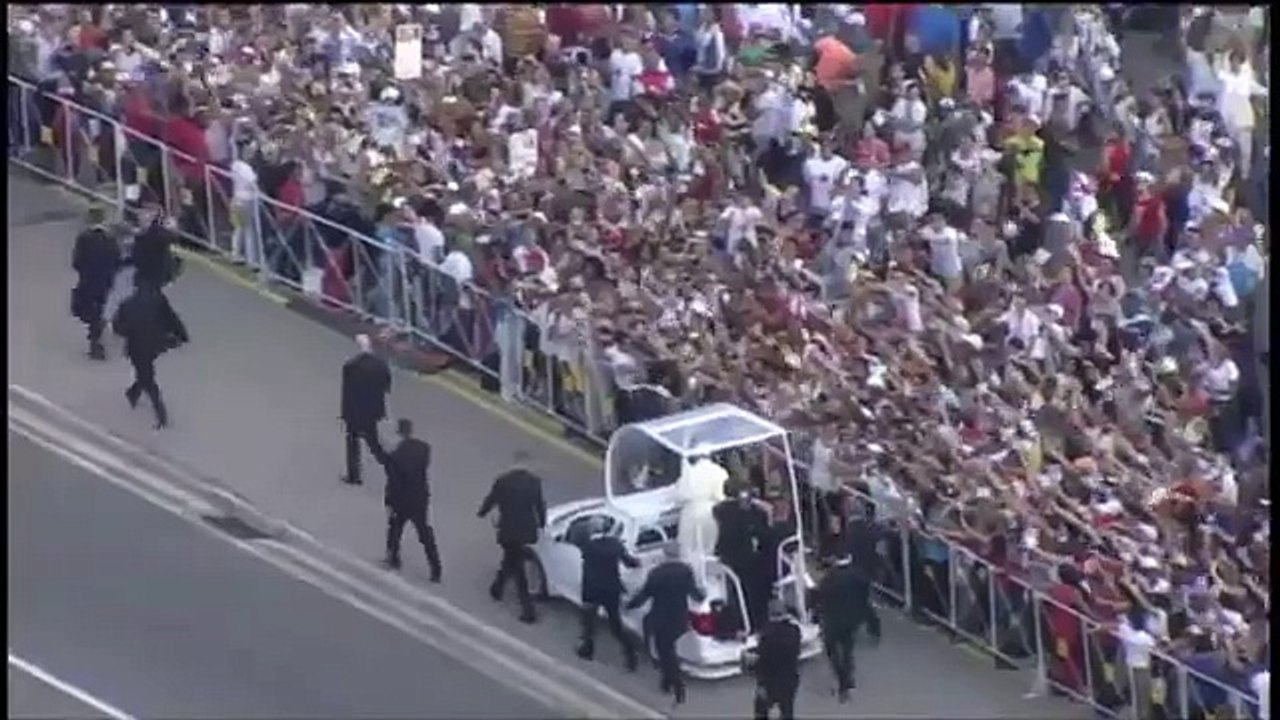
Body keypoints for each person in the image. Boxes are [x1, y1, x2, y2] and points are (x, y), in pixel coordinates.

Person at [626, 542, 705, 704]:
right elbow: (694, 593)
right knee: (668, 649)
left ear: (665, 554)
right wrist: (702, 595)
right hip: (679, 618)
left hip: (661, 618)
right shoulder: (686, 571)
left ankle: (677, 686)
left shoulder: (657, 573)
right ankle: (666, 682)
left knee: (666, 653)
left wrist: (629, 605)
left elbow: (644, 595)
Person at [112, 275, 189, 429]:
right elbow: (171, 319)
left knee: (146, 375)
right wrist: (181, 335)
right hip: (155, 344)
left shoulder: (128, 305)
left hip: (137, 346)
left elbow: (118, 327)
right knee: (146, 374)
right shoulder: (158, 301)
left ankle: (154, 407)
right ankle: (146, 401)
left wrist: (130, 332)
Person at [478, 455, 547, 623]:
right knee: (512, 559)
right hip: (526, 531)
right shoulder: (534, 482)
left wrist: (482, 512)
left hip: (508, 530)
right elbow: (540, 506)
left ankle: (528, 611)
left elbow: (491, 500)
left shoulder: (503, 481)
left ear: (513, 464)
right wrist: (542, 524)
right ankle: (497, 588)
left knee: (517, 569)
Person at [377, 418, 441, 582]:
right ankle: (435, 567)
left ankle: (393, 558)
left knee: (395, 529)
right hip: (419, 497)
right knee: (424, 532)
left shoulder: (394, 455)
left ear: (398, 432)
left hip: (401, 500)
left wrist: (388, 500)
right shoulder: (423, 448)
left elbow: (393, 481)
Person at [576, 515, 640, 670]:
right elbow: (630, 562)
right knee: (615, 624)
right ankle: (630, 653)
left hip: (592, 589)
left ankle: (587, 650)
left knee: (589, 622)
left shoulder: (588, 546)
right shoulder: (615, 544)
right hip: (611, 589)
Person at [815, 546, 873, 702]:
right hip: (852, 618)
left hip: (833, 619)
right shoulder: (859, 575)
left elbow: (820, 597)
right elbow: (865, 594)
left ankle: (842, 678)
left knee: (832, 649)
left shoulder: (829, 578)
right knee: (848, 647)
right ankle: (848, 675)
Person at [71, 205, 122, 360]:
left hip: (88, 280)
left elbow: (77, 261)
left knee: (84, 308)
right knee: (99, 307)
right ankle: (98, 333)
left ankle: (95, 337)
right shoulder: (110, 239)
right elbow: (117, 260)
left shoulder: (84, 238)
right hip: (105, 281)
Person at [340, 333, 391, 486]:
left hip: (354, 410)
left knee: (352, 442)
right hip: (372, 411)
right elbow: (386, 387)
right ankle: (392, 466)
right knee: (374, 443)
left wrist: (344, 412)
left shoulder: (351, 366)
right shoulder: (381, 366)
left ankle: (353, 475)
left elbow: (347, 390)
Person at [745, 599, 802, 720]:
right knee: (787, 710)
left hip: (770, 681)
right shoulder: (794, 630)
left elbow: (763, 660)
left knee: (761, 709)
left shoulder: (766, 634)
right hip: (789, 679)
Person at [128, 204, 180, 289]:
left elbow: (170, 238)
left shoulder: (156, 232)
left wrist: (172, 230)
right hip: (146, 275)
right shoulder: (143, 232)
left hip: (153, 276)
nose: (141, 215)